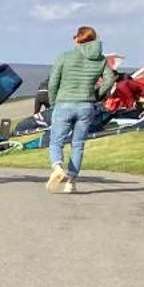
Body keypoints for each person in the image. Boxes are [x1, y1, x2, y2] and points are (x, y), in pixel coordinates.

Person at [43, 25, 108, 194]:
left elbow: (53, 82)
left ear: (79, 39)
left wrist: (52, 102)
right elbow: (109, 80)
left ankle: (57, 167)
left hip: (64, 103)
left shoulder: (65, 56)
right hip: (86, 105)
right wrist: (96, 94)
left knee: (56, 141)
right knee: (78, 144)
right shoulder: (101, 60)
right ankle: (71, 182)